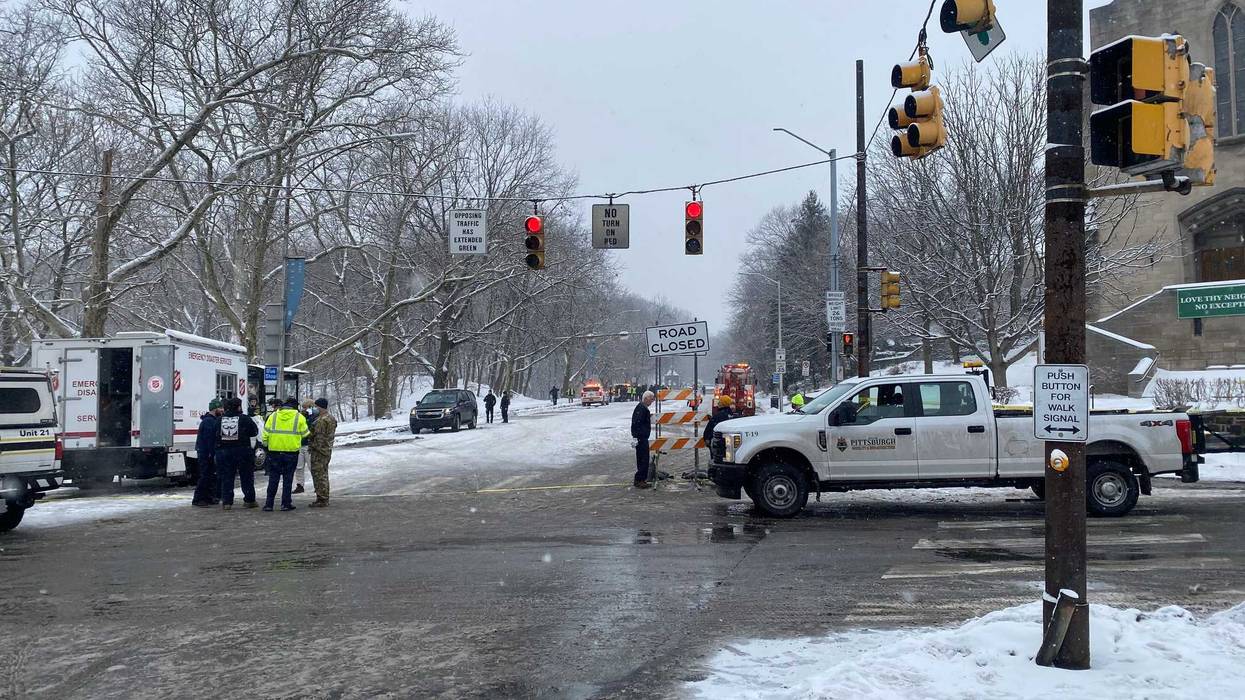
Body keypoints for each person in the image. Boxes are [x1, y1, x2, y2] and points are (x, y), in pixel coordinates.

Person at [262, 397, 309, 511]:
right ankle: (285, 503)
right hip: (291, 453)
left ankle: (269, 504)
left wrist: (267, 445)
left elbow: (265, 434)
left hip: (274, 453)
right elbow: (305, 434)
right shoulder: (299, 417)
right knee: (288, 479)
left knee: (273, 479)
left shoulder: (273, 416)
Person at [216, 397, 259, 510]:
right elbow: (254, 432)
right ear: (239, 407)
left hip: (224, 452)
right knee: (246, 476)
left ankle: (227, 501)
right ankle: (249, 500)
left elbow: (215, 435)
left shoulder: (220, 419)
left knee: (227, 477)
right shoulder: (244, 419)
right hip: (243, 451)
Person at [192, 399, 224, 506]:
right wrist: (212, 453)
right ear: (215, 409)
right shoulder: (209, 422)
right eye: (220, 408)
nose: (222, 410)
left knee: (210, 476)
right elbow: (210, 439)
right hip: (206, 454)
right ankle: (198, 499)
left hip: (206, 453)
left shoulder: (210, 420)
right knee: (205, 476)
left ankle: (208, 497)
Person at [307, 398, 337, 507]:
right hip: (326, 450)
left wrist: (312, 445)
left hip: (319, 451)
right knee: (323, 474)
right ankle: (323, 497)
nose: (314, 409)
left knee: (319, 475)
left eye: (315, 406)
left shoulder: (321, 420)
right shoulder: (331, 418)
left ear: (320, 407)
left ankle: (322, 498)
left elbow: (318, 437)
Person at [631, 391, 655, 489]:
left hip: (641, 437)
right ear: (646, 398)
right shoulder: (642, 408)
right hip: (641, 438)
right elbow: (637, 423)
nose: (652, 401)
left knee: (642, 458)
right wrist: (637, 436)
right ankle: (640, 479)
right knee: (643, 459)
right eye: (651, 398)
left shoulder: (642, 408)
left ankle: (641, 479)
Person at [294, 398, 318, 494]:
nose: (304, 409)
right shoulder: (300, 416)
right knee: (299, 467)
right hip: (300, 444)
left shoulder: (316, 416)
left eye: (306, 407)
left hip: (309, 445)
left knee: (312, 467)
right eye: (303, 407)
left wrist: (309, 418)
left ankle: (317, 485)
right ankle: (300, 485)